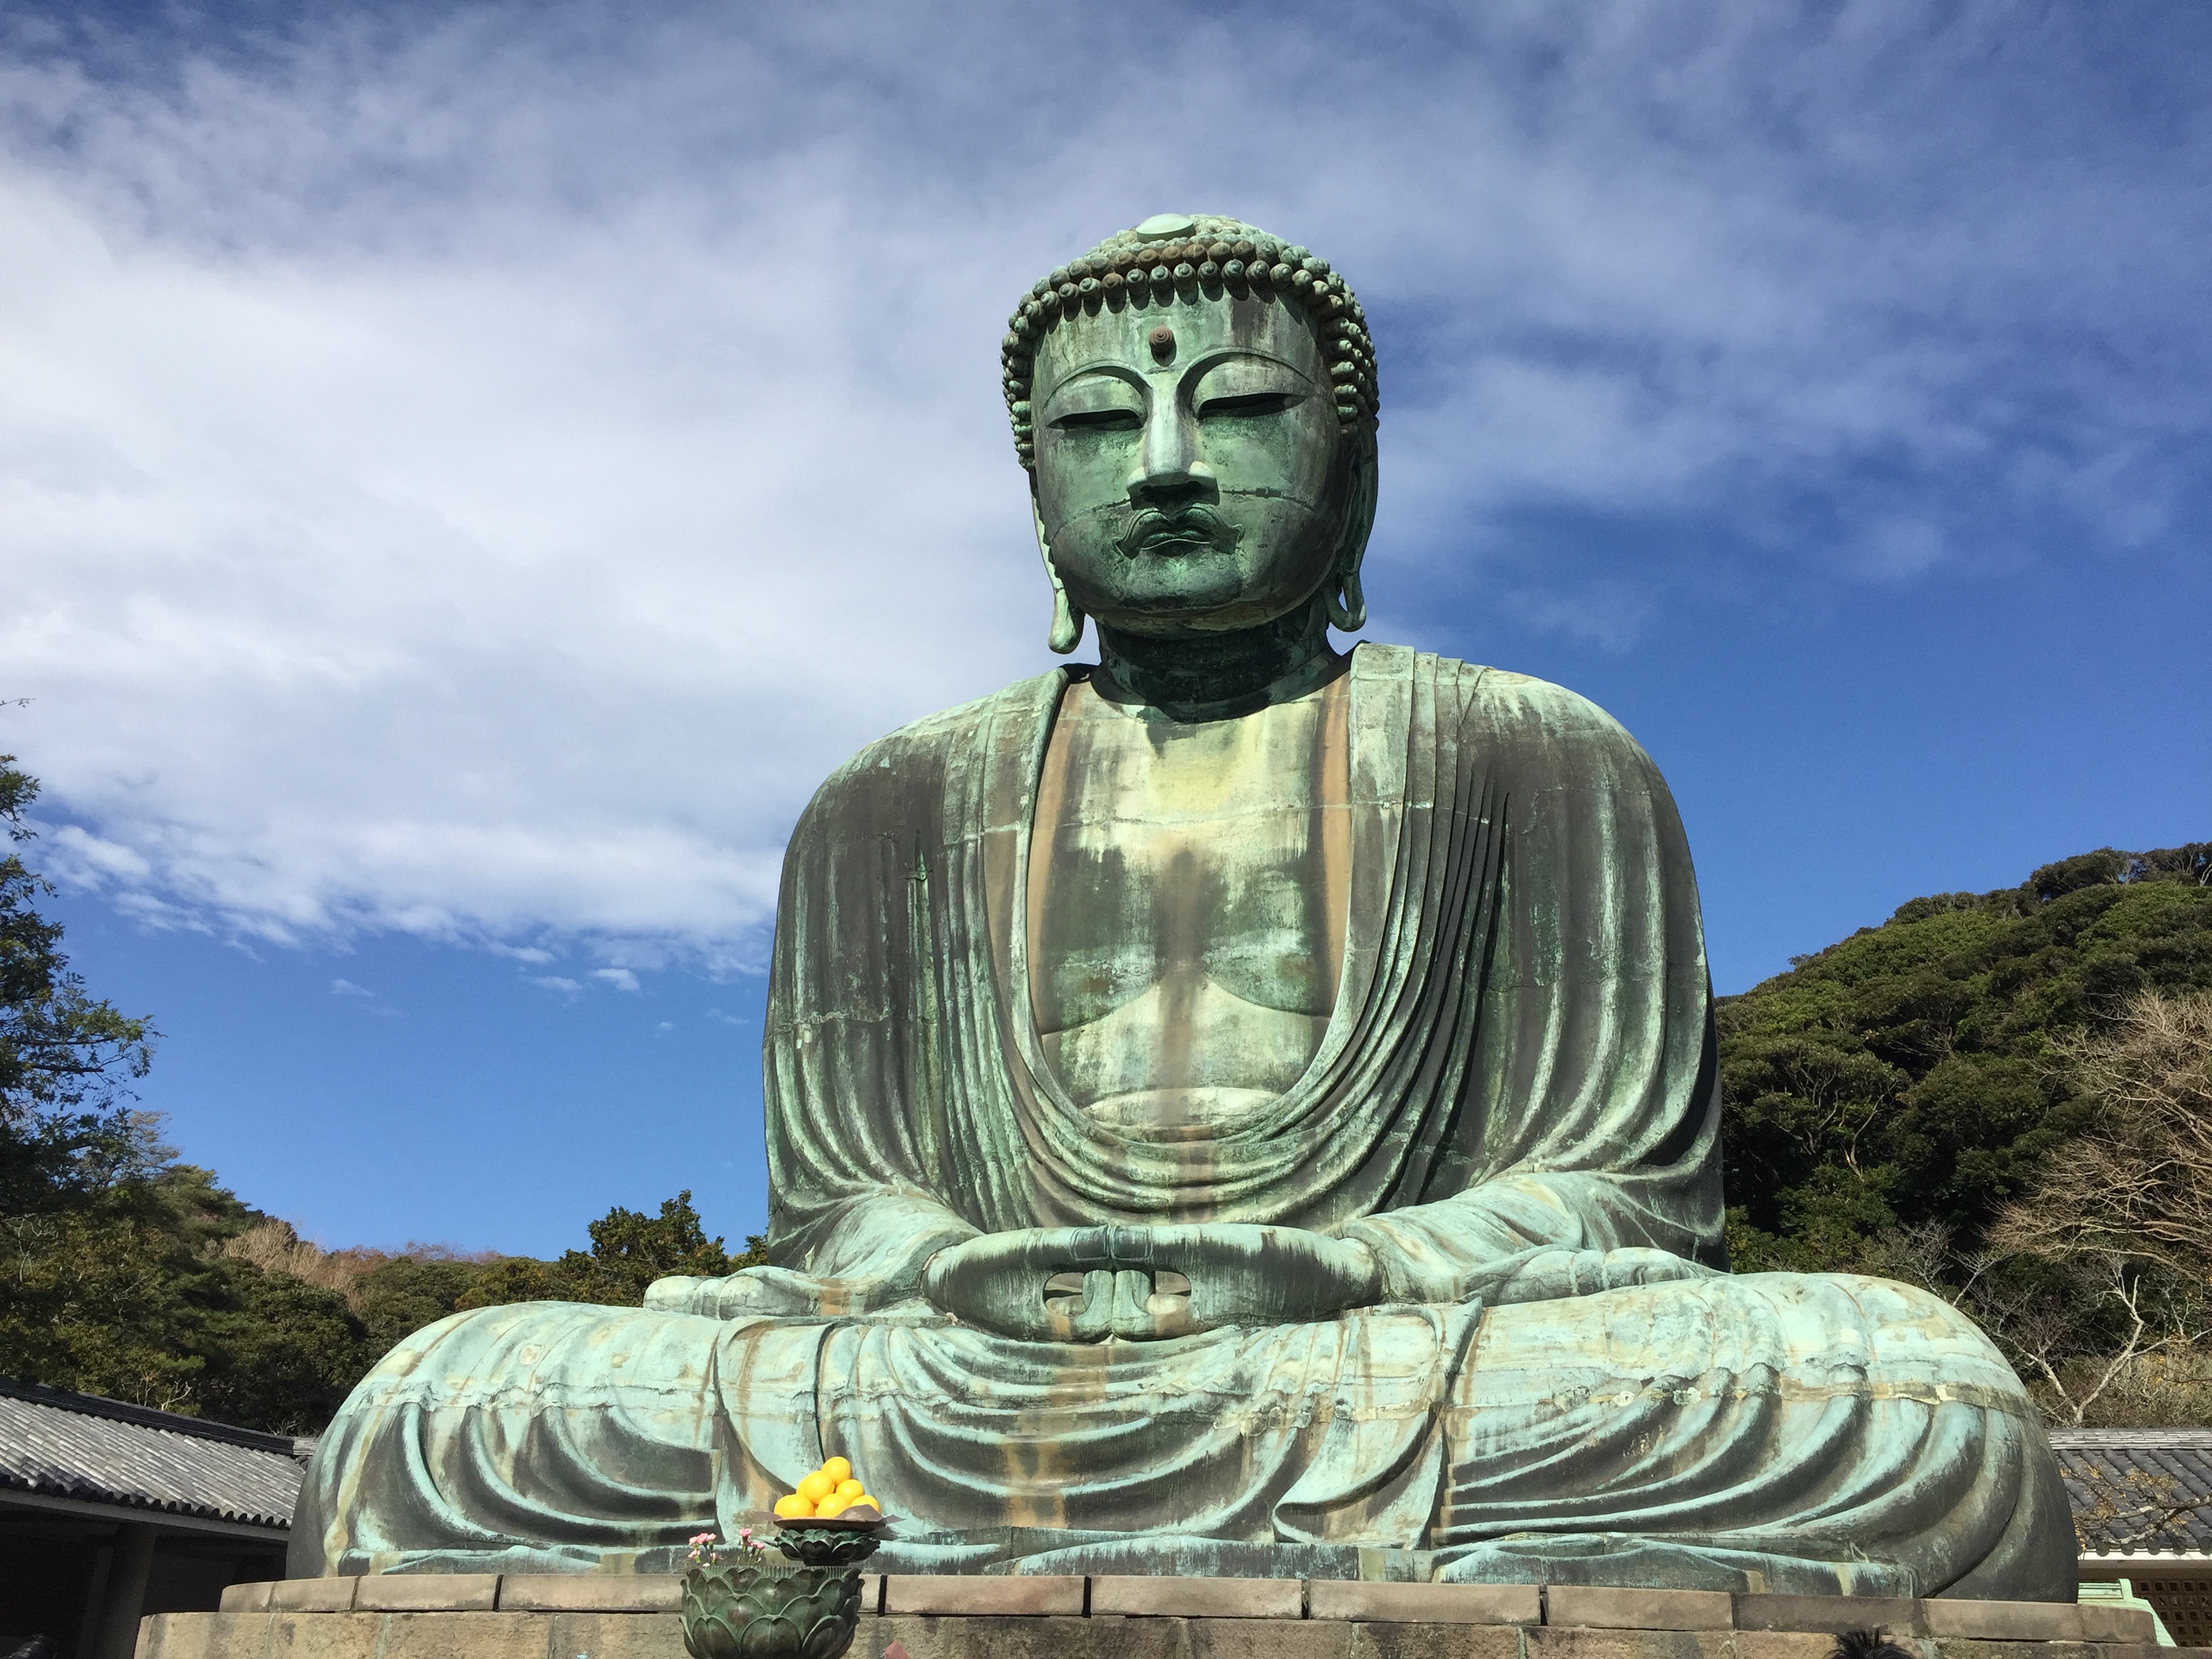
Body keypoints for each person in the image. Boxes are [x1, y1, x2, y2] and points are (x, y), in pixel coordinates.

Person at [293, 215, 2074, 1597]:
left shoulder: (1540, 757)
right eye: (1096, 423)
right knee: (435, 1413)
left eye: (1231, 409)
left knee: (1902, 1396)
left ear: (1350, 465)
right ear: (1035, 481)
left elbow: (1625, 1197)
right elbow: (840, 1209)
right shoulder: (886, 805)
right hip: (957, 1374)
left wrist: (1355, 1263)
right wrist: (945, 1269)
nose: (1159, 462)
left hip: (1397, 1356)